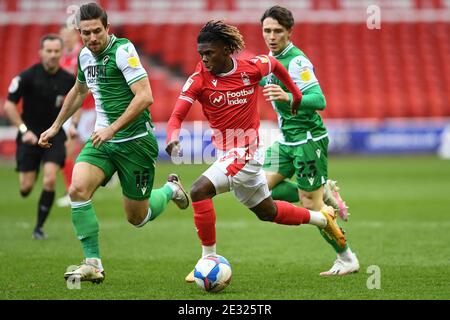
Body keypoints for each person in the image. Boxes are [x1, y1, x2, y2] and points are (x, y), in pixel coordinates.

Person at [165, 20, 346, 283]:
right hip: (227, 153)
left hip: (247, 150)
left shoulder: (251, 68)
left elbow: (275, 65)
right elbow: (177, 115)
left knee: (198, 190)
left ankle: (207, 259)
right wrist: (172, 137)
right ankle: (322, 218)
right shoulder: (199, 80)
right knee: (267, 212)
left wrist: (295, 94)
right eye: (201, 54)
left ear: (227, 50)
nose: (204, 59)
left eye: (209, 53)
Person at [38, 2, 189, 284]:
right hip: (103, 142)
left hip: (135, 142)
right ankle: (93, 263)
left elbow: (145, 96)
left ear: (108, 28)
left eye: (97, 31)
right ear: (79, 33)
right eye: (86, 33)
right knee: (77, 189)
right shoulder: (84, 56)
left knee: (137, 218)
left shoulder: (123, 50)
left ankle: (170, 189)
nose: (92, 38)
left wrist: (113, 129)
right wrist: (56, 126)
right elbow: (78, 91)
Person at [260, 5, 359, 276]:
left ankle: (347, 258)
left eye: (278, 31)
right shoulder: (268, 61)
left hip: (308, 140)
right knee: (259, 190)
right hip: (287, 140)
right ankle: (322, 191)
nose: (271, 36)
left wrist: (288, 97)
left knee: (311, 207)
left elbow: (320, 101)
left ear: (289, 32)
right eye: (267, 30)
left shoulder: (297, 62)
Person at [3, 34, 75, 240]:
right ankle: (30, 176)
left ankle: (39, 228)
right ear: (40, 53)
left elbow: (77, 101)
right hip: (30, 136)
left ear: (61, 53)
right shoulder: (26, 77)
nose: (53, 55)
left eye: (56, 51)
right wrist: (24, 131)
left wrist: (74, 125)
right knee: (25, 188)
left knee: (50, 178)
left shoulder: (68, 80)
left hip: (54, 134)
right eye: (49, 51)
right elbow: (9, 105)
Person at [57, 26, 98, 207]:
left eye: (68, 36)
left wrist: (78, 97)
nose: (65, 39)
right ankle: (71, 189)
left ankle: (107, 173)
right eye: (62, 36)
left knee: (96, 146)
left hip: (88, 111)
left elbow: (88, 85)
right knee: (66, 148)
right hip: (72, 111)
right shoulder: (61, 58)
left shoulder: (83, 55)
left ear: (75, 36)